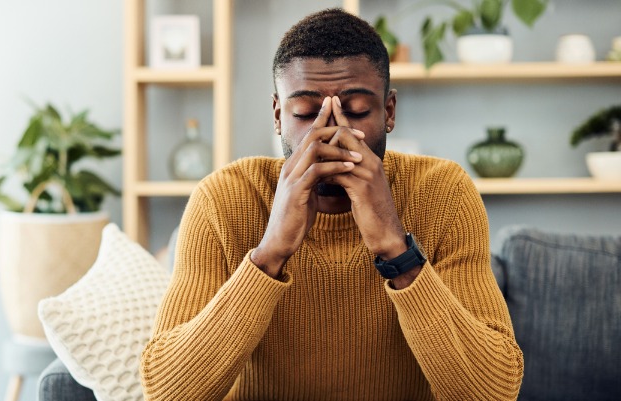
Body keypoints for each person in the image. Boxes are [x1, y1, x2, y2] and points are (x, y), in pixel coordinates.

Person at [140, 8, 523, 401]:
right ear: (277, 115)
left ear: (389, 111)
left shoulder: (443, 193)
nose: (333, 133)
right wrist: (269, 254)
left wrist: (397, 249)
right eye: (305, 113)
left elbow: (493, 392)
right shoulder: (223, 199)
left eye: (356, 111)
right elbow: (168, 393)